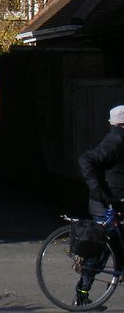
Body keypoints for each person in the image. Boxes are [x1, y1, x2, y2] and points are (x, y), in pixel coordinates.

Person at [76, 104, 124, 305]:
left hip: (115, 201)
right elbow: (86, 159)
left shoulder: (119, 139)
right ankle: (81, 296)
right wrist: (96, 188)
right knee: (100, 252)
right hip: (105, 203)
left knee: (113, 247)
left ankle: (116, 275)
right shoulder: (116, 140)